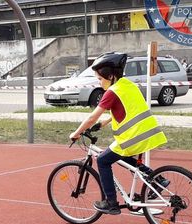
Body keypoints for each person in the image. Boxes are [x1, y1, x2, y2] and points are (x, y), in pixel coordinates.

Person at [69, 52, 168, 215]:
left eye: (101, 79)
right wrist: (106, 122)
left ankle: (111, 203)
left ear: (111, 76)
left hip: (132, 136)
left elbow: (92, 116)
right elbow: (128, 109)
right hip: (148, 132)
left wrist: (76, 133)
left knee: (102, 160)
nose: (100, 84)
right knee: (121, 156)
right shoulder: (128, 85)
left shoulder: (112, 92)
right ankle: (157, 179)